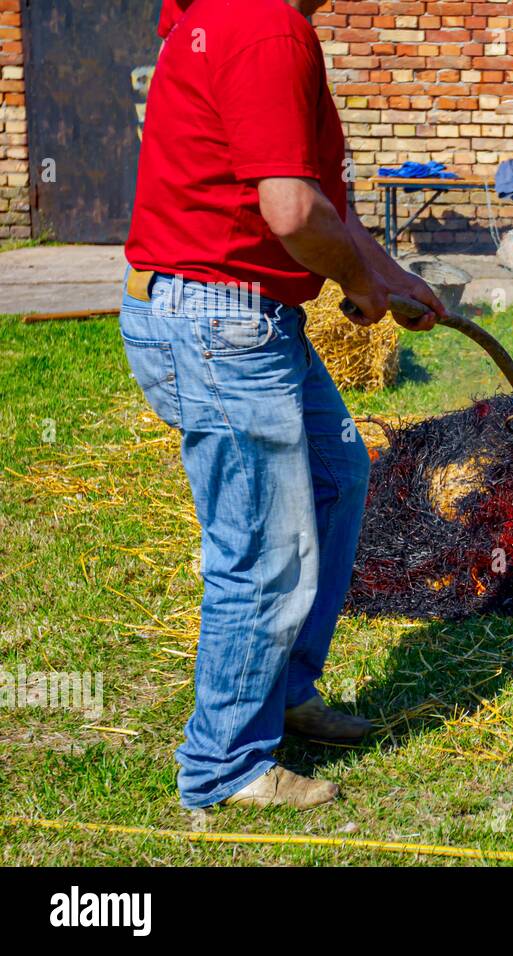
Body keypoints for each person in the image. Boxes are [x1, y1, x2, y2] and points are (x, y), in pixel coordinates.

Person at [122, 0, 445, 810]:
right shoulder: (265, 24)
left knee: (338, 475)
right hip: (221, 320)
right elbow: (291, 213)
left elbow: (305, 198)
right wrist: (360, 282)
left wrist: (391, 276)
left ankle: (281, 690)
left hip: (240, 312)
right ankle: (224, 766)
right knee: (263, 547)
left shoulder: (234, 18)